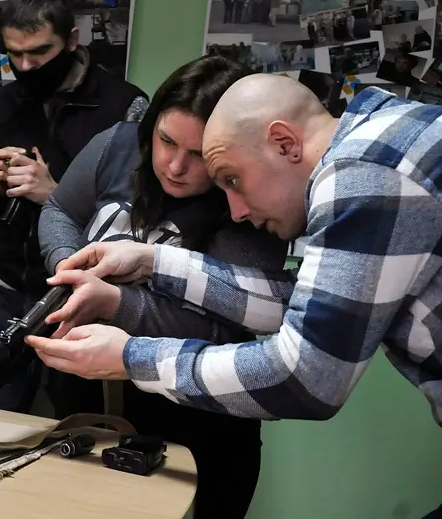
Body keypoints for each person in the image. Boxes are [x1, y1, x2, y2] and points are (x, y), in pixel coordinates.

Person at [26, 75, 442, 519]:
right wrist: (152, 260)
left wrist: (126, 357)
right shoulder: (390, 138)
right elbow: (292, 304)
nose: (234, 210)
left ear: (284, 143)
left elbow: (305, 378)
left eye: (232, 179)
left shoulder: (367, 174)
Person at [37, 55, 288, 519]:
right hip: (93, 395)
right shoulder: (115, 144)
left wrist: (114, 301)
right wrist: (70, 270)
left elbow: (223, 325)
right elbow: (58, 212)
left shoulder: (246, 194)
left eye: (197, 155)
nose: (174, 165)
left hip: (200, 412)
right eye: (165, 140)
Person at [0, 0, 148, 415]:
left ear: (72, 40)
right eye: (14, 55)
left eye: (39, 53)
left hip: (80, 299)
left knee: (80, 429)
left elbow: (136, 226)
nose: (25, 66)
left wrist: (53, 192)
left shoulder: (125, 106)